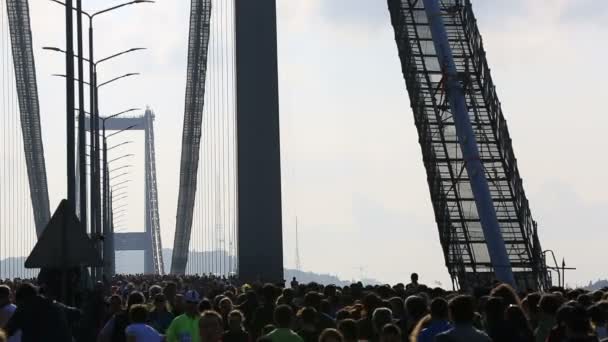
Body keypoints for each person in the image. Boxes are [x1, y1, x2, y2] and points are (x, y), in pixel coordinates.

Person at [4, 282, 78, 342]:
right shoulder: (56, 305)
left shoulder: (23, 308)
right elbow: (77, 313)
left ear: (22, 299)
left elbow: (6, 331)